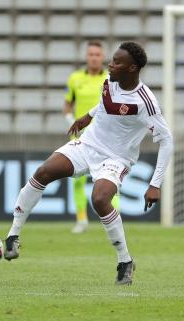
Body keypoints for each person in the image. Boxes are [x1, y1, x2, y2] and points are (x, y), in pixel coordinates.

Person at [4, 42, 173, 285]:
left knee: (100, 199)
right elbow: (106, 102)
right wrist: (87, 116)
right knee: (44, 171)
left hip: (116, 157)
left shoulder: (146, 102)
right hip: (88, 144)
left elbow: (167, 141)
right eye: (112, 60)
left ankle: (125, 261)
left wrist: (155, 184)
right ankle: (13, 236)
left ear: (132, 68)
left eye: (116, 62)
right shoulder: (111, 79)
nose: (110, 65)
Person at [63, 40, 120, 234]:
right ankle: (81, 219)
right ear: (86, 57)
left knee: (110, 178)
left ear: (102, 57)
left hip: (106, 138)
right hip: (81, 137)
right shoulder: (75, 79)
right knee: (77, 179)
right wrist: (71, 121)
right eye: (91, 54)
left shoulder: (111, 78)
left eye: (97, 54)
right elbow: (67, 105)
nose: (94, 58)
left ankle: (114, 217)